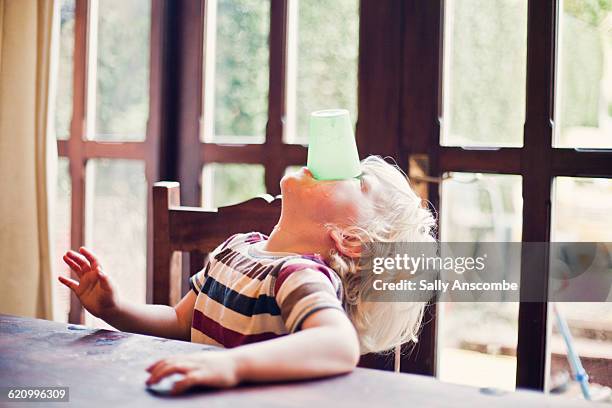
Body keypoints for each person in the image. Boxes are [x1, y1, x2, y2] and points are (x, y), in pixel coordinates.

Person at [59, 155, 436, 394]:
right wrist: (114, 309)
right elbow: (178, 321)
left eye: (359, 182)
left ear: (349, 239)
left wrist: (229, 365)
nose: (332, 163)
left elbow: (339, 345)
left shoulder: (299, 274)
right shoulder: (236, 247)